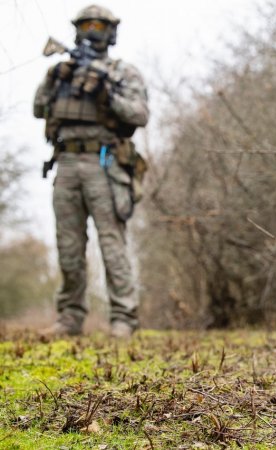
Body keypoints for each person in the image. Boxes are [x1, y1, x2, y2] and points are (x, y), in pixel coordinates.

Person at [33, 4, 149, 338]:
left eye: (100, 25)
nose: (93, 31)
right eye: (87, 25)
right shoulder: (61, 70)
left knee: (112, 244)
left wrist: (106, 93)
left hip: (105, 164)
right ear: (78, 30)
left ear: (111, 32)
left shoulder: (122, 72)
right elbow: (38, 108)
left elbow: (139, 115)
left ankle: (123, 319)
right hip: (66, 164)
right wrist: (57, 78)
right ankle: (69, 318)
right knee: (68, 245)